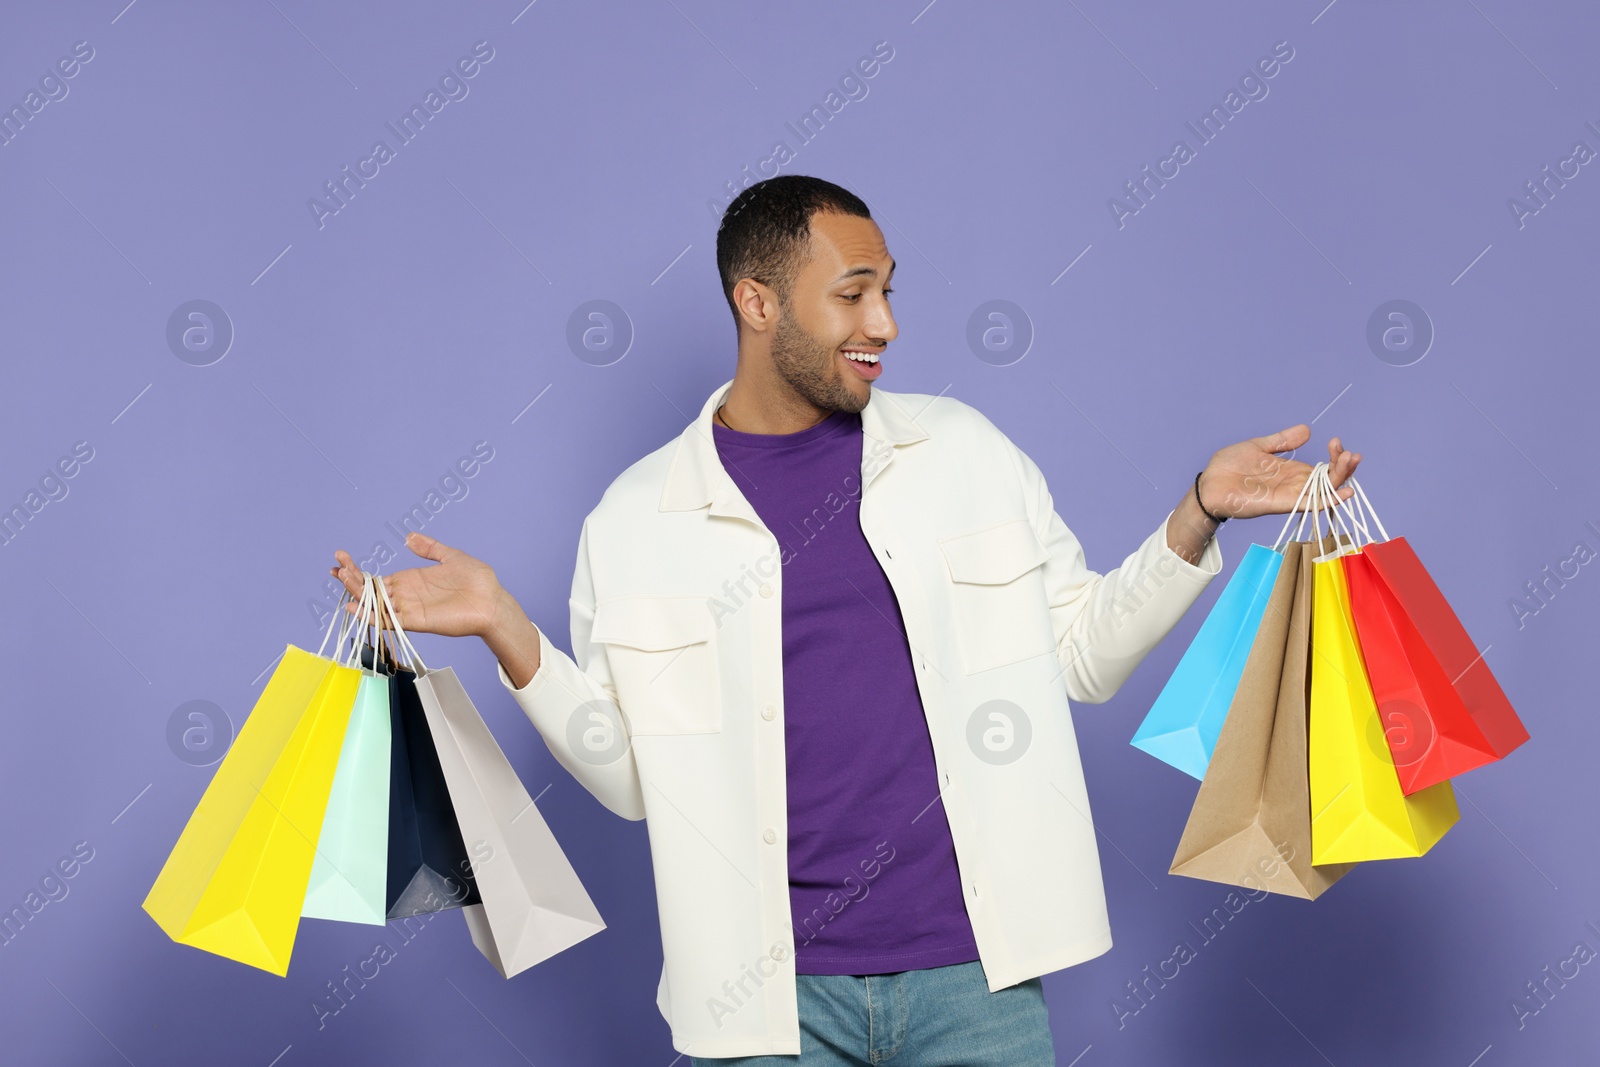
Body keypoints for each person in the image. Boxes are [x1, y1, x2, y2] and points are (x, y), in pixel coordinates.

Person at [331, 175, 1360, 1064]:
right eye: (852, 294)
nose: (885, 324)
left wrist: (1197, 512)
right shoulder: (639, 519)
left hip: (975, 980)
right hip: (761, 998)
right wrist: (510, 627)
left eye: (888, 290)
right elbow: (634, 781)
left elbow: (1083, 656)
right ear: (758, 301)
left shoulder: (963, 453)